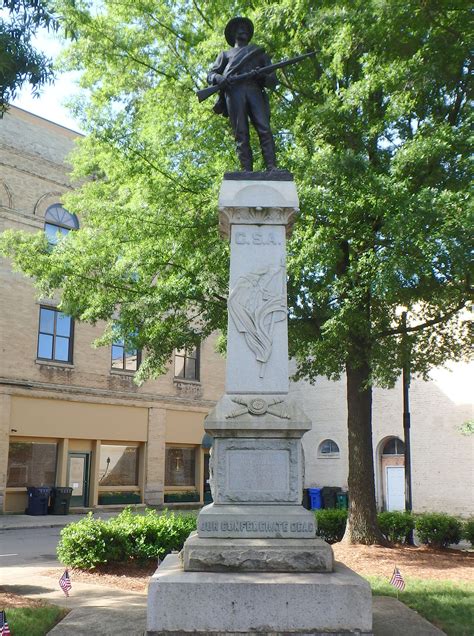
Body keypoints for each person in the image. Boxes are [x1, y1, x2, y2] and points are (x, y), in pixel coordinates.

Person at [207, 17, 278, 172]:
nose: (243, 30)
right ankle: (246, 170)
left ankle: (272, 167)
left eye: (245, 27)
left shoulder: (258, 53)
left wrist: (262, 76)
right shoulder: (225, 55)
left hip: (254, 91)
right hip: (234, 93)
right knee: (241, 132)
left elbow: (273, 81)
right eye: (239, 27)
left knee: (264, 128)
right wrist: (218, 77)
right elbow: (211, 75)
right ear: (233, 33)